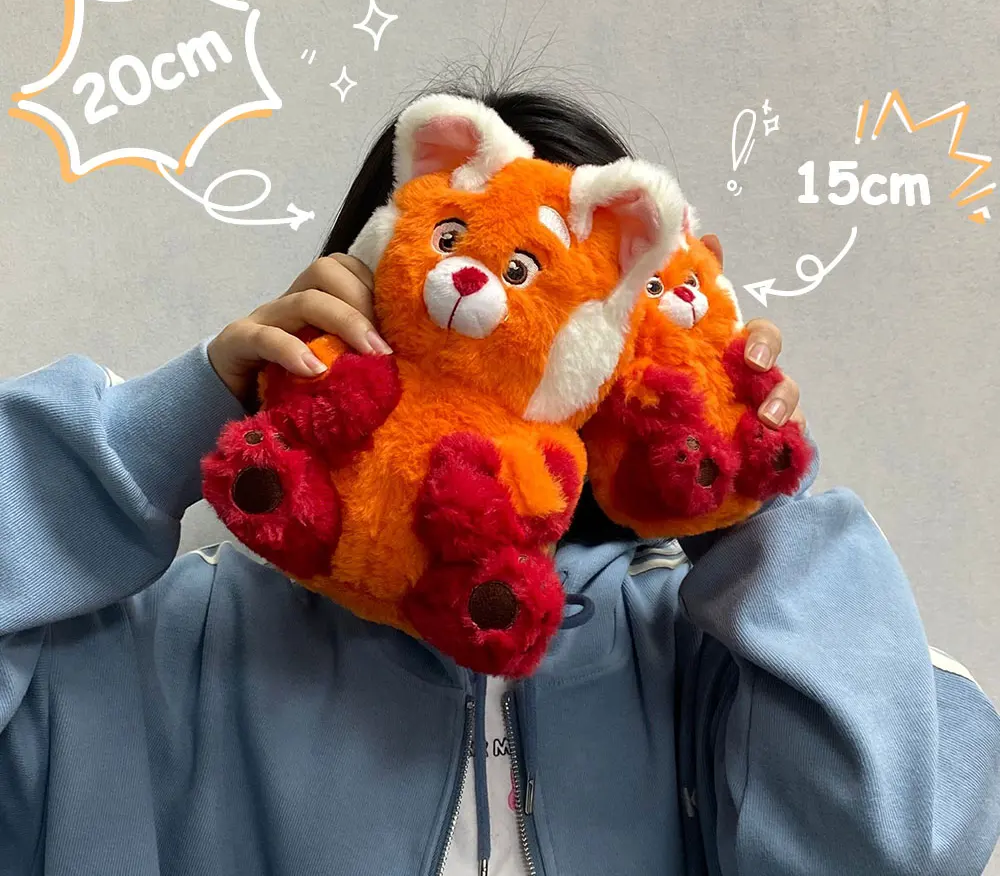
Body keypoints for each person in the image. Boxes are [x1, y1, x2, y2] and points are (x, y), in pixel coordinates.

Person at [1, 87, 998, 876]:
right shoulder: (166, 642)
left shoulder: (721, 665)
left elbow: (902, 844)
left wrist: (740, 498)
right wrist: (173, 420)